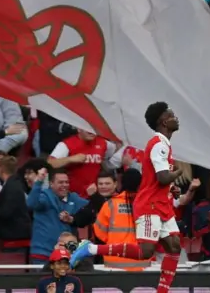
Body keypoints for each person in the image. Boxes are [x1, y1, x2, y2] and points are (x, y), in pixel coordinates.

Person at [70, 101, 182, 293]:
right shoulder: (158, 144)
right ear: (163, 121)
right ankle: (91, 249)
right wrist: (178, 172)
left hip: (161, 203)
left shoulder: (163, 144)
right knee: (145, 251)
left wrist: (171, 189)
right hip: (150, 205)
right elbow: (162, 176)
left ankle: (162, 291)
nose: (176, 118)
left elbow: (156, 178)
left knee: (174, 246)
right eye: (172, 116)